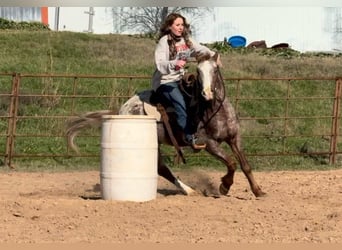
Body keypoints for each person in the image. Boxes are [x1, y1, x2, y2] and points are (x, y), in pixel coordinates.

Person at [151, 12, 220, 150]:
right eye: (177, 25)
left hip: (180, 79)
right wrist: (175, 64)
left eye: (182, 25)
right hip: (166, 82)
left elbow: (200, 49)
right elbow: (160, 64)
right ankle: (190, 138)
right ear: (170, 26)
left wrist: (214, 55)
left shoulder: (187, 40)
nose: (180, 27)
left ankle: (201, 129)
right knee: (180, 104)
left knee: (197, 99)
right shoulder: (164, 42)